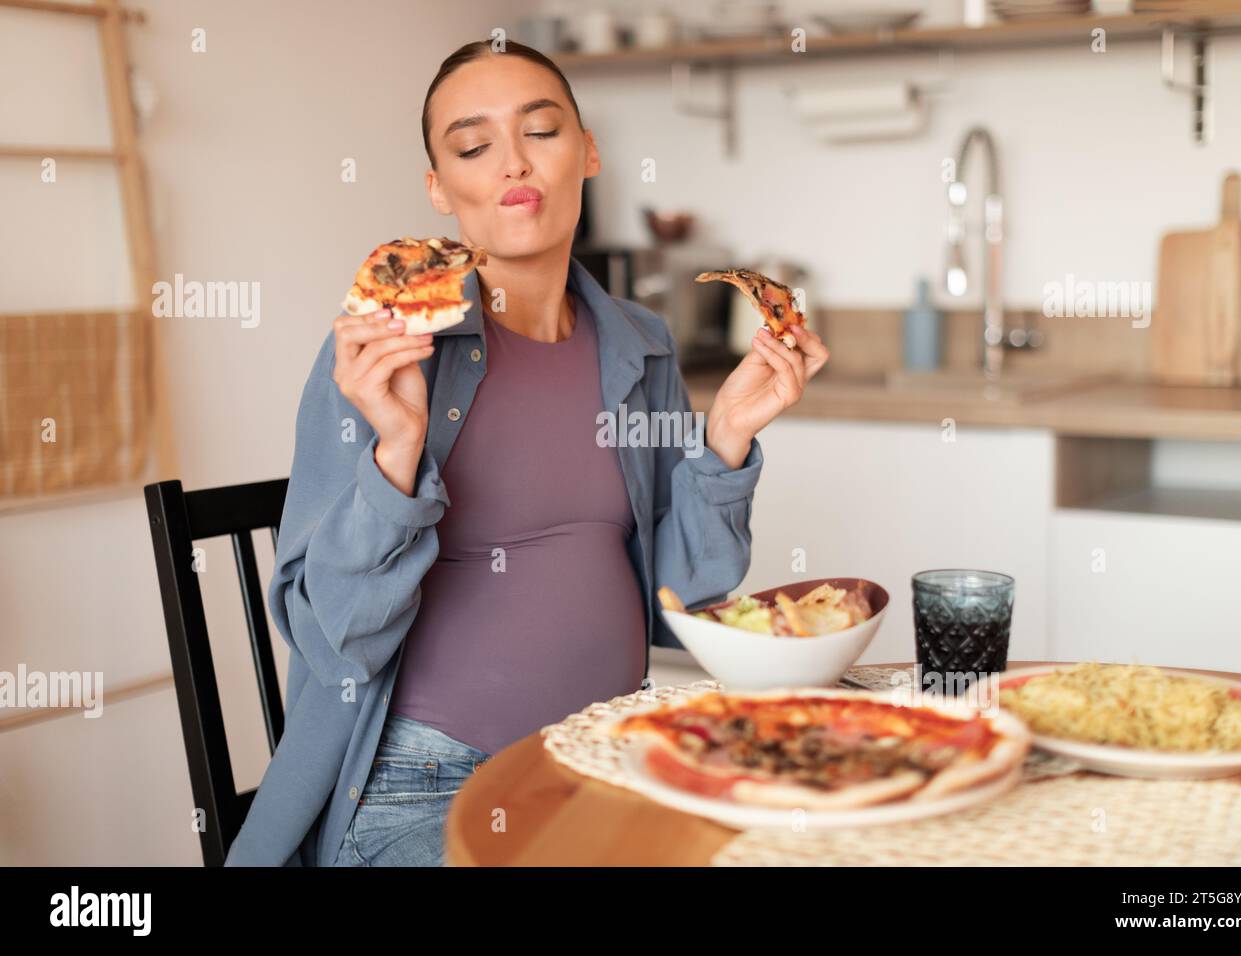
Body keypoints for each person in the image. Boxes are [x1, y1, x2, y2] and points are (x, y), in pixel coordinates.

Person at [224, 38, 828, 868]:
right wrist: (395, 454)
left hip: (611, 763)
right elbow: (333, 642)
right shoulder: (386, 354)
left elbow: (680, 604)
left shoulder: (641, 346)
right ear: (440, 187)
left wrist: (723, 441)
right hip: (423, 787)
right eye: (473, 146)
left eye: (540, 132)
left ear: (587, 153)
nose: (512, 161)